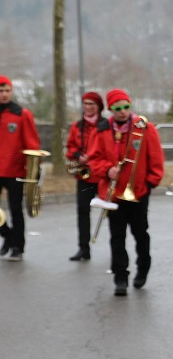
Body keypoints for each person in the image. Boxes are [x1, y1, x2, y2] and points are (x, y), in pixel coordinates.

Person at [86, 89, 164, 296]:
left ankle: (143, 266)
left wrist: (150, 183)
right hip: (113, 194)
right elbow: (94, 159)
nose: (123, 112)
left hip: (138, 192)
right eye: (117, 108)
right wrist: (106, 170)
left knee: (140, 233)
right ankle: (120, 277)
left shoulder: (144, 128)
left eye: (126, 107)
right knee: (117, 236)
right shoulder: (102, 130)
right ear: (110, 109)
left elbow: (156, 158)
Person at [0, 76, 41, 262]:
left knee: (16, 210)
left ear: (11, 91)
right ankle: (8, 236)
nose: (4, 94)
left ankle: (18, 246)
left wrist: (34, 169)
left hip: (15, 170)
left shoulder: (22, 114)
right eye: (1, 91)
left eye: (7, 90)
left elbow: (32, 143)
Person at [65, 91, 105, 261]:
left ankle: (116, 246)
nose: (88, 107)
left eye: (92, 104)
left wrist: (94, 157)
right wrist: (77, 156)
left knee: (111, 213)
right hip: (84, 176)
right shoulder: (77, 126)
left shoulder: (106, 125)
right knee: (82, 212)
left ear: (99, 107)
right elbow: (70, 146)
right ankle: (83, 248)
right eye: (85, 104)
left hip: (102, 175)